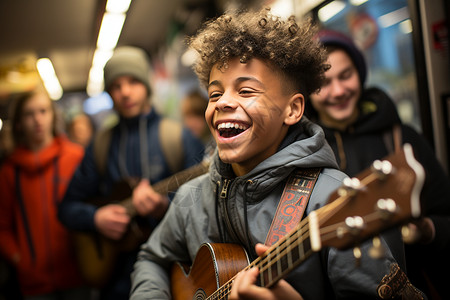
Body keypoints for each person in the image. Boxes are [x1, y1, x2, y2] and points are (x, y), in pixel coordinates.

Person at [130, 8, 424, 300]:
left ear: (293, 109)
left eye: (245, 91)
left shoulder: (332, 200)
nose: (222, 103)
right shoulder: (190, 197)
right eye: (215, 94)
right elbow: (152, 258)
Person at [306, 29, 450, 299]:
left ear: (360, 73)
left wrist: (427, 230)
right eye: (323, 82)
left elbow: (446, 215)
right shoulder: (304, 150)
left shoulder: (401, 137)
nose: (338, 91)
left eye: (345, 75)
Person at [57, 46, 205, 300]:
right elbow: (67, 207)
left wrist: (166, 207)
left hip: (174, 275)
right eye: (116, 85)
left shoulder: (179, 138)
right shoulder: (101, 145)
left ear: (146, 85)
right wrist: (95, 218)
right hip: (114, 281)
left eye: (133, 82)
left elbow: (205, 203)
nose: (125, 92)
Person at [0, 90, 89, 300]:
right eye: (29, 114)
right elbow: (2, 226)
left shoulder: (75, 157)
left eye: (43, 111)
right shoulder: (9, 172)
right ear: (19, 122)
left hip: (79, 274)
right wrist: (19, 259)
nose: (37, 119)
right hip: (35, 284)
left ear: (53, 115)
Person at [180, 89, 215, 156]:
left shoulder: (214, 146)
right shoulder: (183, 146)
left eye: (197, 116)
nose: (192, 123)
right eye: (189, 116)